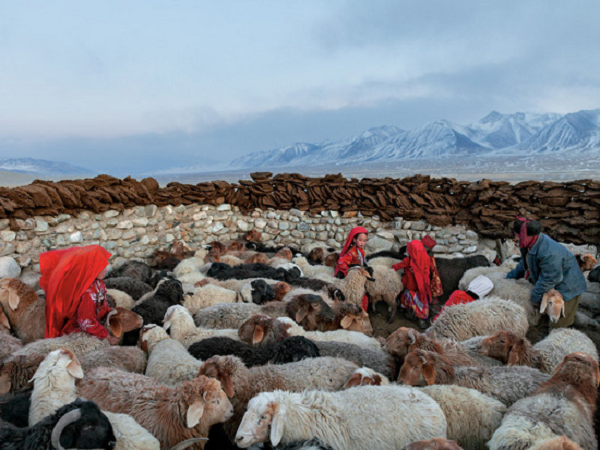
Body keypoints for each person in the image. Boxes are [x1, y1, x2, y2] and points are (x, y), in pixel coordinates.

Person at [506, 217, 586, 332]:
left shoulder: (549, 252)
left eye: (518, 235)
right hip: (551, 286)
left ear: (526, 235)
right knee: (543, 320)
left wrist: (535, 298)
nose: (516, 238)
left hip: (567, 288)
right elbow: (525, 262)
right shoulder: (528, 242)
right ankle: (544, 335)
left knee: (558, 326)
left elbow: (549, 279)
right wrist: (510, 276)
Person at [40, 245, 117, 343]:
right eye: (101, 267)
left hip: (96, 322)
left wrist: (110, 311)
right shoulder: (88, 293)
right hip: (79, 332)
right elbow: (86, 322)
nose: (105, 270)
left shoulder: (99, 284)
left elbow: (102, 305)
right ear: (93, 268)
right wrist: (107, 336)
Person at [393, 240, 434, 329]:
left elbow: (398, 266)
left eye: (409, 249)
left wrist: (392, 268)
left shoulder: (408, 260)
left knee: (409, 299)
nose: (407, 251)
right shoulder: (426, 258)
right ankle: (422, 319)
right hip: (422, 287)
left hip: (411, 287)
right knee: (422, 303)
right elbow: (427, 271)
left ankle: (410, 314)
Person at [335, 226, 371, 312]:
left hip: (359, 274)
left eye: (364, 241)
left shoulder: (360, 250)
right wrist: (351, 269)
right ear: (354, 239)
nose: (362, 243)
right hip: (352, 276)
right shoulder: (351, 252)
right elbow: (341, 262)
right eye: (360, 240)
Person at [421, 235, 443, 302]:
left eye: (425, 247)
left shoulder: (430, 257)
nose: (423, 248)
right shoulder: (419, 253)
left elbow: (432, 268)